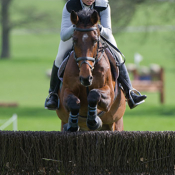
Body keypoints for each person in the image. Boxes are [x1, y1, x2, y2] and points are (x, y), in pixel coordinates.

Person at [45, 0, 147, 110]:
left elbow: (108, 32)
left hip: (97, 34)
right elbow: (64, 35)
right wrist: (77, 27)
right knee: (60, 57)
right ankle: (53, 95)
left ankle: (130, 92)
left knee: (118, 55)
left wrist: (97, 28)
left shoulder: (103, 4)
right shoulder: (70, 5)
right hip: (77, 35)